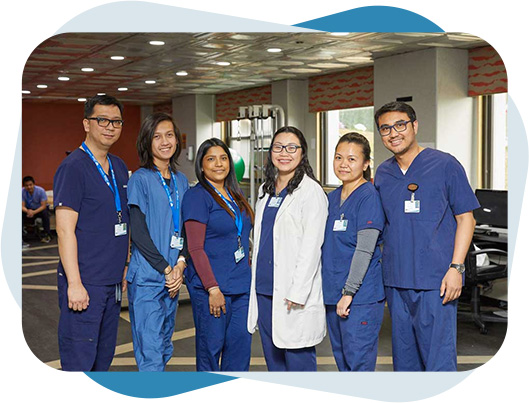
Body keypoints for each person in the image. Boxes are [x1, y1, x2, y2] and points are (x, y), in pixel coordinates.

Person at [373, 101, 479, 371]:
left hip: (436, 281)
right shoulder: (383, 173)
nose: (393, 133)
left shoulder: (445, 165)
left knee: (438, 361)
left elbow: (466, 218)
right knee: (405, 362)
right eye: (385, 128)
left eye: (400, 125)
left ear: (414, 126)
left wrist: (456, 268)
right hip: (397, 280)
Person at [53, 94, 130, 371]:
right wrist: (74, 283)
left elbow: (122, 221)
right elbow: (64, 231)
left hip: (111, 284)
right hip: (85, 283)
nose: (110, 126)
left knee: (103, 359)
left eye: (116, 121)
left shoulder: (119, 167)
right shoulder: (73, 167)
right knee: (79, 362)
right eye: (102, 120)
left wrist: (124, 264)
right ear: (87, 123)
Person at [247, 126, 328, 371]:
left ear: (302, 153)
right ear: (270, 152)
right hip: (264, 289)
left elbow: (312, 247)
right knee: (274, 362)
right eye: (278, 147)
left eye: (292, 147)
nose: (284, 153)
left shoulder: (311, 192)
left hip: (292, 293)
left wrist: (298, 291)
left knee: (298, 362)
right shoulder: (265, 190)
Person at [182, 138, 254, 371]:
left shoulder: (235, 194)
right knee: (210, 351)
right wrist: (212, 288)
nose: (219, 164)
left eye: (223, 158)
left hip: (241, 287)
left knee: (240, 350)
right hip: (212, 289)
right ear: (202, 166)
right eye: (211, 159)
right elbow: (195, 248)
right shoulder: (197, 196)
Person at [126, 113, 189, 371]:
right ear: (147, 142)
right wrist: (166, 269)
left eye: (170, 135)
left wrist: (180, 265)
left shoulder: (181, 181)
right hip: (149, 279)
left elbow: (185, 228)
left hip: (173, 278)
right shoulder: (140, 179)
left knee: (164, 347)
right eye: (157, 136)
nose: (165, 141)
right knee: (150, 352)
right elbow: (138, 232)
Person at [321, 133, 386, 371]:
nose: (343, 164)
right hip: (332, 293)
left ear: (366, 163)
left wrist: (349, 292)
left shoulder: (368, 197)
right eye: (338, 158)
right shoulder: (331, 198)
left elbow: (364, 250)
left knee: (358, 362)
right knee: (343, 361)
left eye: (351, 159)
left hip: (359, 297)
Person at [22, 176, 52, 243]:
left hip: (39, 209)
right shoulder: (22, 192)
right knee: (19, 214)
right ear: (24, 186)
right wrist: (28, 211)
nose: (29, 187)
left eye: (30, 185)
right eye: (26, 185)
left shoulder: (41, 191)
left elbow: (43, 206)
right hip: (29, 210)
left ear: (34, 184)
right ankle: (22, 235)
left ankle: (47, 234)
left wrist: (33, 212)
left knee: (45, 213)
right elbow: (22, 206)